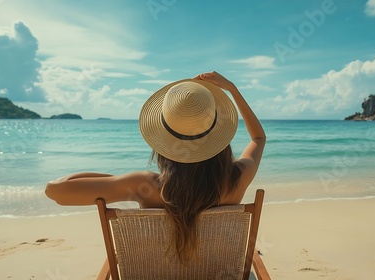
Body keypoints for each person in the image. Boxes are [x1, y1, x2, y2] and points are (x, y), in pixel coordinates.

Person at [45, 71, 266, 262]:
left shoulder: (145, 184)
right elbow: (258, 138)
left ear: (164, 140)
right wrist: (233, 90)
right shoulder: (238, 178)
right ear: (219, 136)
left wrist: (117, 181)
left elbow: (56, 191)